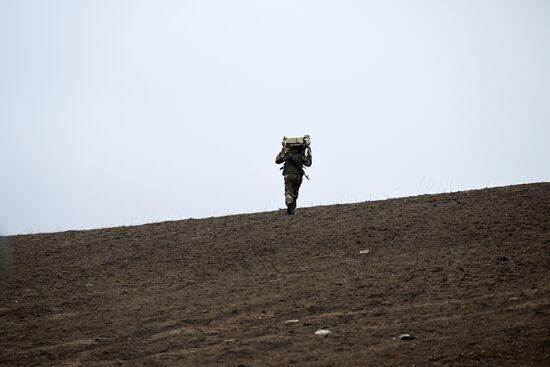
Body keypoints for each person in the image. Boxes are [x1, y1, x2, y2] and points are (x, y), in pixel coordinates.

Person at [275, 141, 312, 215]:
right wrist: (309, 154)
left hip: (288, 175)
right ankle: (292, 208)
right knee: (295, 192)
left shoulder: (287, 155)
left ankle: (289, 203)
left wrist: (283, 150)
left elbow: (277, 160)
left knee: (288, 192)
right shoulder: (300, 155)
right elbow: (308, 163)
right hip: (298, 175)